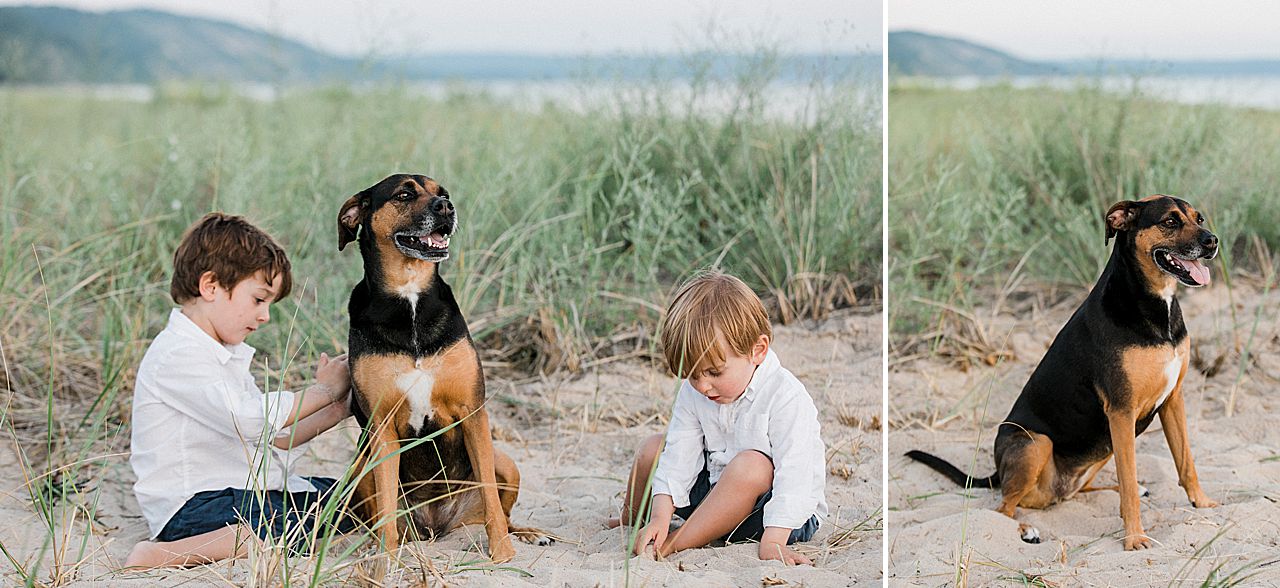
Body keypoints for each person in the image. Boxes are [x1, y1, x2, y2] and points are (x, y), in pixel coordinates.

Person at [124, 212, 354, 568]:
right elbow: (249, 420)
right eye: (259, 299)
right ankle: (160, 554)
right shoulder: (178, 354)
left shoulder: (220, 353)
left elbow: (273, 439)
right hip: (191, 507)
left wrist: (336, 409)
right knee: (283, 526)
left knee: (347, 498)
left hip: (235, 492)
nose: (264, 316)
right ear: (211, 286)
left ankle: (243, 535)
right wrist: (322, 391)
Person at [608, 269, 828, 565]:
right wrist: (661, 514)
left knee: (752, 465)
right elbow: (679, 454)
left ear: (758, 350)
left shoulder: (786, 397)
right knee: (653, 448)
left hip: (774, 515)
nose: (703, 385)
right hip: (715, 494)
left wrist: (774, 539)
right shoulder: (696, 391)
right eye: (692, 374)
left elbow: (797, 474)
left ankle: (675, 542)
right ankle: (635, 520)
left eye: (714, 372)